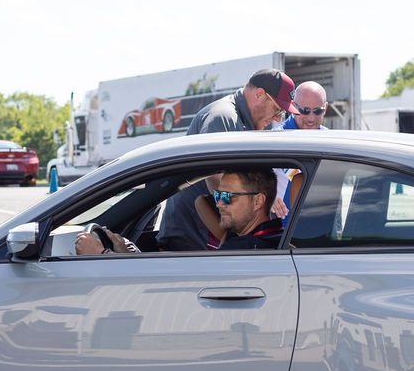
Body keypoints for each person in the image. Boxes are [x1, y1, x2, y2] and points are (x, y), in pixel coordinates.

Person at [156, 69, 297, 252]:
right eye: (277, 109)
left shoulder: (253, 124)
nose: (278, 118)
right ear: (259, 94)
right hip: (192, 239)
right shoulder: (222, 118)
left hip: (221, 239)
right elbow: (217, 183)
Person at [76, 169, 282, 254]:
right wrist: (126, 254)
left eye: (227, 196)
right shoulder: (260, 237)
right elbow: (202, 201)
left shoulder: (245, 250)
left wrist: (103, 255)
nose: (219, 203)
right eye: (218, 195)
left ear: (258, 201)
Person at [272, 81, 329, 217]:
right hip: (283, 225)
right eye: (304, 111)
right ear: (293, 106)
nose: (311, 118)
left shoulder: (329, 139)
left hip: (320, 218)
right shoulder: (276, 138)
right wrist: (267, 195)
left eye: (318, 111)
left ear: (325, 108)